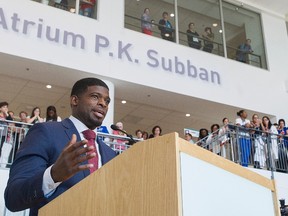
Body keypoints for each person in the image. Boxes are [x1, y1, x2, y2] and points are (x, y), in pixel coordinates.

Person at [5, 77, 117, 215]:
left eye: (107, 101)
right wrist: (53, 175)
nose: (103, 104)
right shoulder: (45, 132)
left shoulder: (111, 154)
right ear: (74, 100)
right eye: (95, 97)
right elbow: (13, 197)